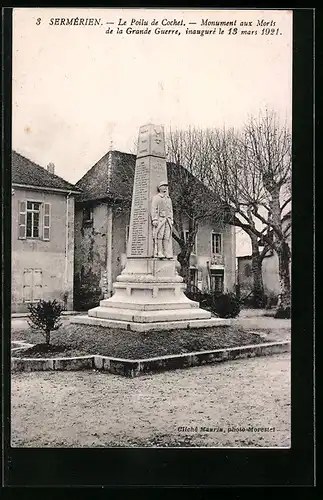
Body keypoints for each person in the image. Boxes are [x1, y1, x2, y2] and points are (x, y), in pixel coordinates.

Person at [151, 181, 173, 259]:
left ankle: (166, 252)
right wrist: (154, 219)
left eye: (166, 186)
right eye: (163, 186)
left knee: (166, 236)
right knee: (159, 236)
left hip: (168, 220)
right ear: (160, 188)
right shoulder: (157, 198)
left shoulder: (168, 199)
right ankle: (159, 251)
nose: (165, 188)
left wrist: (171, 219)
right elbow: (154, 209)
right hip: (161, 219)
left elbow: (170, 210)